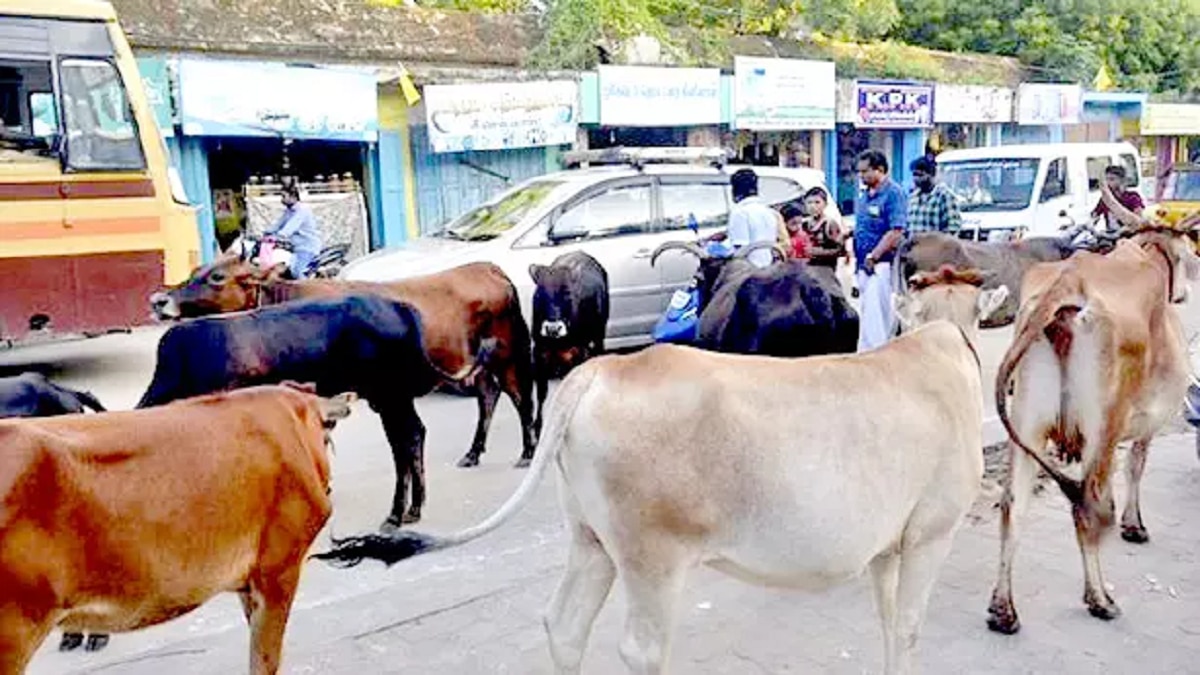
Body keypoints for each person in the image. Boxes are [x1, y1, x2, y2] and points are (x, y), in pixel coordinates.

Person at [853, 149, 908, 352]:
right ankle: (867, 354)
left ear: (880, 170)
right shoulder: (865, 196)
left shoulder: (893, 193)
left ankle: (880, 356)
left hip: (882, 264)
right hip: (863, 264)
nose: (861, 176)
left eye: (865, 171)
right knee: (867, 314)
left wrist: (874, 256)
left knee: (880, 315)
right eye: (859, 172)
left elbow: (896, 231)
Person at [265, 183, 322, 279]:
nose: (281, 200)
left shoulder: (302, 211)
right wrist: (264, 234)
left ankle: (307, 292)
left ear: (293, 197)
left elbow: (288, 230)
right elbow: (277, 225)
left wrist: (274, 238)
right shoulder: (289, 211)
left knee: (297, 272)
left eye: (284, 196)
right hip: (296, 249)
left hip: (307, 248)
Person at [726, 168, 780, 268]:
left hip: (748, 273)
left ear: (735, 190)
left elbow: (740, 249)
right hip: (769, 270)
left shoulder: (740, 212)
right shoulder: (768, 212)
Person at [907, 157, 962, 235]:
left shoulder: (945, 196)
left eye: (920, 175)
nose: (916, 179)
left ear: (932, 175)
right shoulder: (912, 198)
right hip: (914, 246)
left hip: (936, 246)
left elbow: (952, 229)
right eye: (914, 175)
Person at [1091, 165, 1144, 233]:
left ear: (1122, 180)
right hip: (1111, 235)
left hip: (1130, 234)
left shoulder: (1133, 197)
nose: (1108, 183)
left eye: (1112, 179)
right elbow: (1095, 215)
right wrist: (1091, 221)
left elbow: (1139, 217)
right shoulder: (1105, 199)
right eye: (1107, 179)